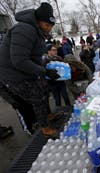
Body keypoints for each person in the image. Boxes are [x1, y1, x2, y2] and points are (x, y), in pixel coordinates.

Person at [0, 2, 60, 137]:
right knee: (37, 97)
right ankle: (45, 128)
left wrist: (46, 66)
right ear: (38, 21)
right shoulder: (25, 29)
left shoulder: (37, 31)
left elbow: (34, 54)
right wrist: (44, 71)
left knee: (44, 89)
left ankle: (48, 116)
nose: (49, 29)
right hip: (13, 74)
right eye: (47, 25)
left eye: (51, 26)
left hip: (26, 71)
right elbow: (20, 61)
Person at [43, 44, 71, 109]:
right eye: (53, 50)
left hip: (61, 81)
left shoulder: (59, 58)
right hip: (52, 83)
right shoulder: (45, 61)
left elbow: (65, 67)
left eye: (56, 50)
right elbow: (43, 72)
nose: (55, 51)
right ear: (48, 51)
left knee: (65, 95)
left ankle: (69, 108)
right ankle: (59, 111)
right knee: (57, 98)